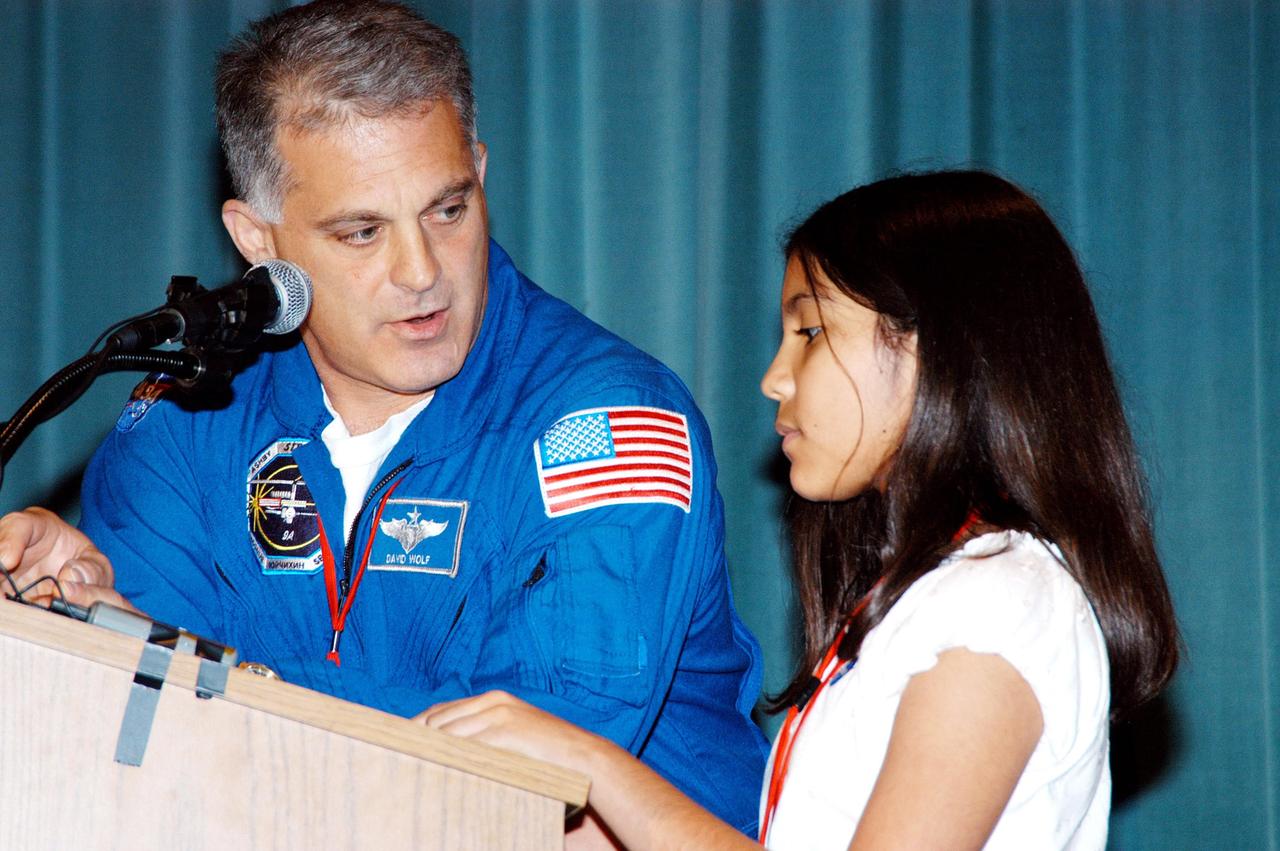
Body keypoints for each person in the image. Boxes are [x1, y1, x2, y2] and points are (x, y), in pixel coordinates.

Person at [0, 0, 768, 839]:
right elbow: (136, 746)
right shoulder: (185, 418)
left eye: (449, 208)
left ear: (480, 169)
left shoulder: (607, 422)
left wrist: (209, 673)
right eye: (362, 232)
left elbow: (523, 776)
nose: (422, 271)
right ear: (257, 239)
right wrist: (83, 625)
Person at [419, 170, 1181, 849]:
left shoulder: (1001, 604)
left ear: (936, 350)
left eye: (811, 331)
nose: (776, 378)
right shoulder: (930, 599)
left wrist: (592, 761)